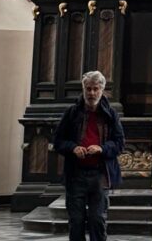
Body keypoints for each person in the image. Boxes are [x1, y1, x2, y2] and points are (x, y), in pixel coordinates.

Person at [53, 70, 125, 241]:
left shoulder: (110, 114)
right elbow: (58, 141)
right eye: (88, 89)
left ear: (102, 90)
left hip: (100, 174)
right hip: (76, 174)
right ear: (83, 89)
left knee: (97, 219)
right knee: (76, 221)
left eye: (95, 89)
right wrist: (73, 148)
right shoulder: (72, 113)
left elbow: (119, 143)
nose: (92, 93)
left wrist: (102, 148)